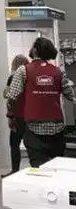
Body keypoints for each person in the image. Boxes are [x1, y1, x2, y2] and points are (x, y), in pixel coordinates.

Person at [7, 37, 74, 167]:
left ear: (35, 50)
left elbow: (12, 97)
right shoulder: (58, 71)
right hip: (57, 126)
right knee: (56, 166)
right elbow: (70, 95)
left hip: (34, 126)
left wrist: (12, 116)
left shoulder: (23, 70)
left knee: (38, 167)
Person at [3, 54, 29, 176]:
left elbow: (6, 95)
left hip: (17, 115)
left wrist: (10, 116)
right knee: (31, 144)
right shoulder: (30, 77)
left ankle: (15, 171)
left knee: (14, 144)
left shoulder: (13, 77)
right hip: (29, 114)